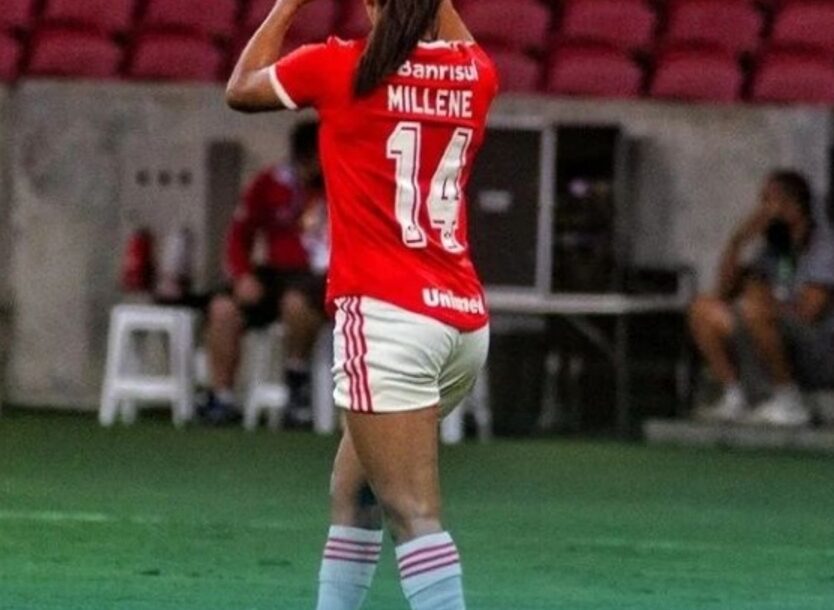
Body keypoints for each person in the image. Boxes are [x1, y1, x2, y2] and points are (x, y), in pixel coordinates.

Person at [227, 0, 497, 608]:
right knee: (355, 492)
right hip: (460, 325)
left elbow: (240, 88)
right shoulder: (475, 72)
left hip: (387, 320)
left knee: (415, 515)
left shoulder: (338, 67)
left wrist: (287, 5)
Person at [201, 120, 328, 427]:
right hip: (274, 273)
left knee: (296, 304)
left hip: (319, 276)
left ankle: (297, 385)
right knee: (222, 309)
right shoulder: (270, 183)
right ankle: (222, 398)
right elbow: (238, 236)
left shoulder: (342, 185)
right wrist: (243, 275)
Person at [689, 170, 834, 427]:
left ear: (791, 205)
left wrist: (766, 302)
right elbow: (723, 292)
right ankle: (735, 397)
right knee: (703, 308)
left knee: (755, 308)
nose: (762, 210)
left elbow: (811, 311)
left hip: (818, 345)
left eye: (768, 200)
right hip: (771, 332)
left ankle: (790, 402)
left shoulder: (824, 246)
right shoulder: (774, 247)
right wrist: (738, 241)